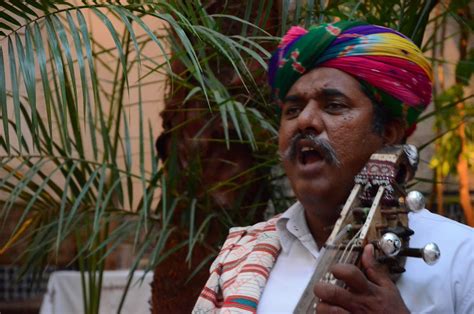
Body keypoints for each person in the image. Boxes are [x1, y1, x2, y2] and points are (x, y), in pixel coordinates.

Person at [193, 21, 474, 313]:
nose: (304, 121)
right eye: (292, 110)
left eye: (334, 106)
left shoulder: (462, 256)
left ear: (389, 133)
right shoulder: (241, 254)